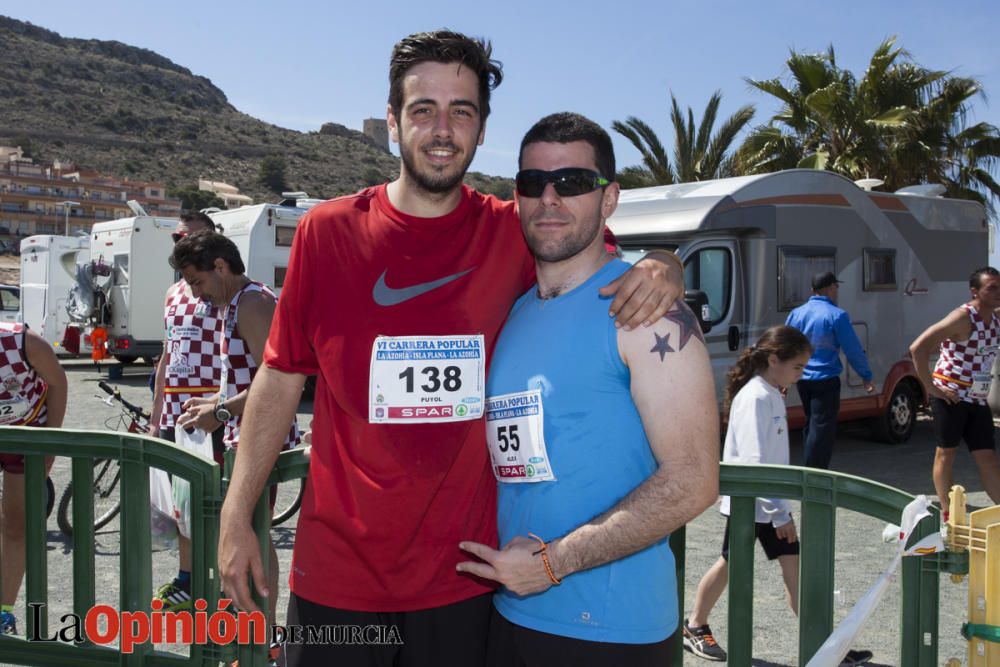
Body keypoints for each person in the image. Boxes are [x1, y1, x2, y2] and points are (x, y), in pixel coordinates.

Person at [217, 30, 683, 667]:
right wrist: (237, 513)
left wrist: (663, 262)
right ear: (392, 121)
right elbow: (279, 376)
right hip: (339, 583)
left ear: (482, 129)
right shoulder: (327, 233)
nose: (442, 129)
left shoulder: (509, 231)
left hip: (464, 582)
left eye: (461, 111)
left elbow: (593, 250)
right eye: (423, 110)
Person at [453, 112, 719, 666]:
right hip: (512, 614)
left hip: (611, 632)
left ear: (610, 198)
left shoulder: (647, 312)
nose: (549, 198)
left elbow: (694, 483)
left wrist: (553, 564)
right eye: (532, 183)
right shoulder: (517, 311)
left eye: (572, 182)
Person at [683, 325, 873, 666]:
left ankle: (825, 646)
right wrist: (780, 515)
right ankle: (695, 625)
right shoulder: (757, 396)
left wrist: (778, 510)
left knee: (790, 570)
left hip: (765, 504)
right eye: (798, 367)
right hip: (752, 504)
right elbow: (756, 463)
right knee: (733, 563)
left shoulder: (768, 392)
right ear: (774, 359)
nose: (801, 375)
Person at [170, 230, 299, 663]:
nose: (194, 292)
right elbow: (250, 377)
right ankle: (256, 640)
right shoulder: (234, 303)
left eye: (197, 281)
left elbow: (275, 382)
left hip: (261, 442)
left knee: (252, 543)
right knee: (250, 542)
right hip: (247, 438)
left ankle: (261, 645)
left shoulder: (253, 303)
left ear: (221, 267)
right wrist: (215, 402)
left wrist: (221, 412)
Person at [149, 210, 225, 612]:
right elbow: (167, 354)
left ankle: (229, 587)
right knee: (182, 505)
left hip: (214, 413)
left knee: (219, 504)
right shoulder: (173, 292)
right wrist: (156, 411)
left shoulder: (225, 289)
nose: (183, 242)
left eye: (192, 236)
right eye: (178, 236)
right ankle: (187, 579)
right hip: (175, 414)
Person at [909, 266, 1000, 519]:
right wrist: (932, 389)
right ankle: (949, 513)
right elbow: (918, 348)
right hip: (952, 396)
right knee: (946, 453)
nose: (997, 292)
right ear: (975, 292)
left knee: (988, 457)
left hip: (977, 397)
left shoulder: (995, 317)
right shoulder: (962, 318)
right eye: (991, 288)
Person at [0, 324, 67, 635]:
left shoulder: (23, 341)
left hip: (25, 435)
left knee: (16, 526)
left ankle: (3, 612)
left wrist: (50, 446)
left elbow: (57, 382)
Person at [785, 271, 875, 469]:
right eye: (837, 287)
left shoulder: (796, 314)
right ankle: (814, 473)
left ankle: (809, 468)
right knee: (822, 430)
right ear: (832, 288)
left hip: (802, 380)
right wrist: (866, 375)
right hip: (826, 379)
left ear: (812, 290)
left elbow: (785, 345)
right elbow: (852, 349)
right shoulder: (837, 315)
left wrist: (783, 379)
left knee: (811, 424)